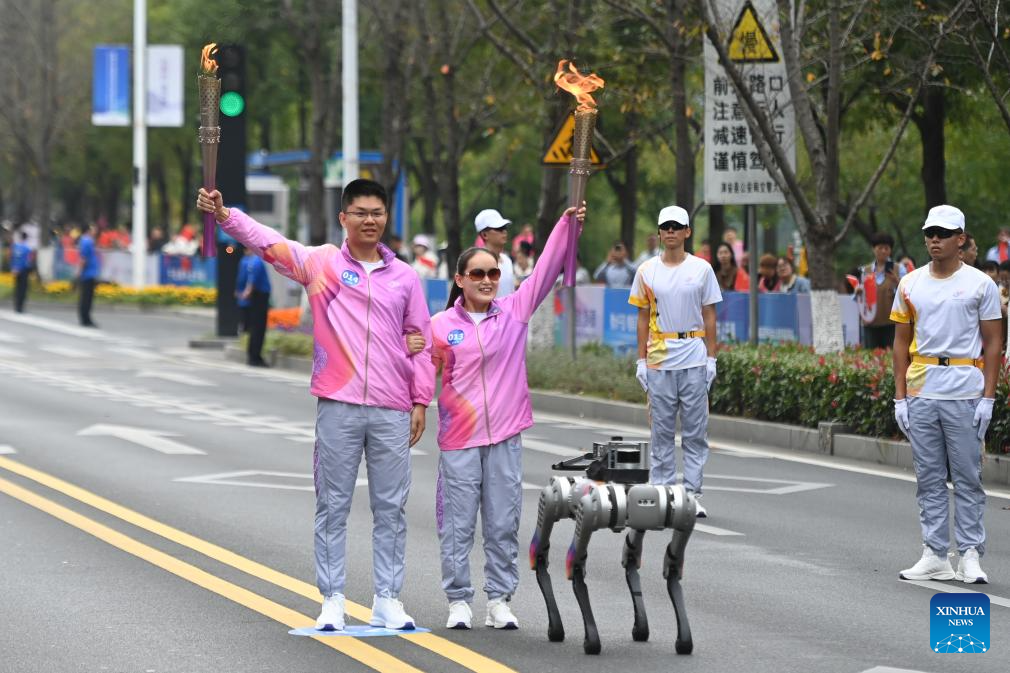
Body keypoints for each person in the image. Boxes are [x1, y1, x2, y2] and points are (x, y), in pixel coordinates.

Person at [197, 179, 435, 632]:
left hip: (391, 406)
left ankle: (387, 598)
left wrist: (421, 398)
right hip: (338, 404)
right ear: (343, 218)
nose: (370, 220)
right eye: (360, 212)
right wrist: (226, 216)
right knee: (333, 505)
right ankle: (332, 599)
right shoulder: (322, 264)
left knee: (391, 507)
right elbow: (270, 244)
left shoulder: (405, 277)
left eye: (377, 213)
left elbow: (419, 339)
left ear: (386, 218)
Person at [431, 203, 586, 631]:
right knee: (458, 525)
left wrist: (566, 224)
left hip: (504, 437)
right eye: (477, 274)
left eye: (493, 273)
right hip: (459, 439)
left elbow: (547, 270)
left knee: (502, 522)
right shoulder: (440, 325)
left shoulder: (514, 313)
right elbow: (419, 374)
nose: (486, 280)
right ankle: (458, 600)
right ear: (460, 279)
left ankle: (498, 599)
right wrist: (413, 409)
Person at [892, 205, 1001, 585]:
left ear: (961, 239)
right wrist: (900, 397)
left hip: (965, 392)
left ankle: (970, 554)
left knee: (968, 478)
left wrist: (988, 397)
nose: (935, 239)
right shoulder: (910, 284)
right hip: (922, 390)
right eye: (930, 233)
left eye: (943, 233)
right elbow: (900, 343)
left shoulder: (981, 285)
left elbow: (993, 343)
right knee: (929, 478)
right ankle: (936, 554)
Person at [630, 205, 721, 518]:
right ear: (659, 232)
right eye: (665, 226)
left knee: (695, 432)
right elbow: (642, 318)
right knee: (662, 432)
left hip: (693, 354)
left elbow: (710, 315)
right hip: (659, 357)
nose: (671, 231)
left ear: (687, 232)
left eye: (676, 226)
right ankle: (663, 492)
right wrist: (641, 360)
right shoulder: (646, 271)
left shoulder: (702, 269)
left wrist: (711, 357)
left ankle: (691, 495)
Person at [853, 232, 905, 350]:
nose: (883, 251)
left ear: (890, 250)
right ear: (873, 249)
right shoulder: (865, 271)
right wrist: (857, 291)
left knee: (891, 356)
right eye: (880, 248)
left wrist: (897, 281)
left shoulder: (899, 269)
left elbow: (907, 293)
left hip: (892, 323)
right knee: (871, 356)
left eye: (886, 248)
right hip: (870, 322)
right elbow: (859, 298)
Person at [236, 247, 272, 367]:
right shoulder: (256, 261)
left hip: (254, 297)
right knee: (259, 328)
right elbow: (252, 280)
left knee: (254, 327)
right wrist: (247, 292)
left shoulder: (246, 260)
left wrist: (241, 292)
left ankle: (252, 355)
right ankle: (255, 357)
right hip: (260, 297)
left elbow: (242, 278)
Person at [473, 208, 515, 297]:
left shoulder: (507, 260)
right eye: (499, 228)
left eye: (504, 227)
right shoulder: (477, 263)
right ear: (484, 235)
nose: (504, 231)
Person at [77, 223, 100, 327]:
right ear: (88, 230)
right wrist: (79, 271)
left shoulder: (84, 240)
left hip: (88, 273)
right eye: (92, 229)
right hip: (88, 273)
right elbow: (84, 258)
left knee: (85, 297)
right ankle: (86, 319)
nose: (94, 231)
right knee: (87, 297)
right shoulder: (87, 241)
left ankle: (84, 318)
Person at [10, 231, 33, 313]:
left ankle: (16, 306)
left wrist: (14, 268)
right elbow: (28, 261)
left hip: (16, 270)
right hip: (24, 270)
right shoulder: (27, 248)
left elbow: (12, 258)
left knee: (17, 288)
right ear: (26, 238)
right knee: (23, 289)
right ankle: (20, 307)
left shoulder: (15, 246)